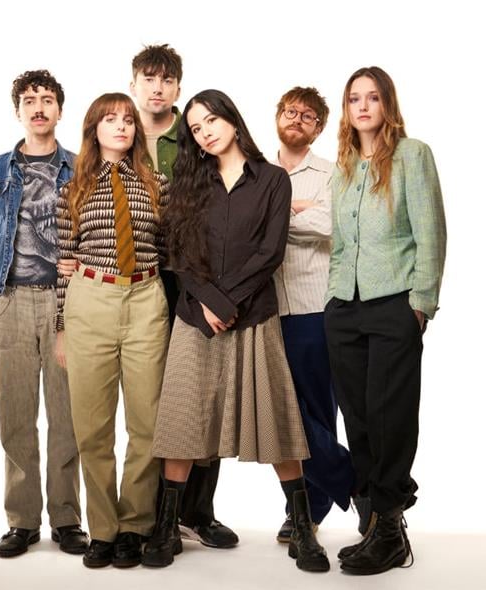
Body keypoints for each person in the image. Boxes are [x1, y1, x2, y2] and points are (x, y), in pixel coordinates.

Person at [143, 89, 330, 572]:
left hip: (252, 316)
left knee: (278, 424)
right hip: (196, 318)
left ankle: (302, 528)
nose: (205, 132)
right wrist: (207, 301)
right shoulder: (189, 182)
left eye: (211, 121)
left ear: (231, 119)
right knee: (182, 422)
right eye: (196, 128)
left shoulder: (271, 179)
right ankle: (166, 526)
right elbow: (177, 254)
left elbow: (270, 252)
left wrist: (226, 302)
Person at [324, 66, 446, 575]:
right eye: (354, 98)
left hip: (394, 302)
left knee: (389, 416)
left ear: (387, 104)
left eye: (372, 97)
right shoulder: (344, 166)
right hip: (344, 307)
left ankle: (392, 531)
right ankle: (374, 522)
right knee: (358, 418)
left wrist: (421, 304)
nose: (363, 106)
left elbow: (431, 231)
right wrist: (331, 299)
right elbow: (339, 242)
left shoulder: (412, 155)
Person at [129, 43, 238, 550]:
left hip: (191, 276)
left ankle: (199, 510)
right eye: (149, 79)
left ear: (177, 86)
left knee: (204, 391)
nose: (158, 88)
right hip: (136, 279)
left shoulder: (195, 136)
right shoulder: (118, 130)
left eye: (167, 80)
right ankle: (152, 514)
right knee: (154, 399)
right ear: (134, 84)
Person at [54, 93, 170, 569]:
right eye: (110, 120)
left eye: (128, 120)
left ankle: (135, 526)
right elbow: (63, 265)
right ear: (93, 129)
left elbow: (169, 249)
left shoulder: (157, 185)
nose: (121, 126)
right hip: (91, 301)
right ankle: (102, 529)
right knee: (92, 426)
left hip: (146, 299)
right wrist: (62, 327)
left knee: (148, 422)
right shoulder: (72, 189)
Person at [0, 69, 87, 558]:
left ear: (60, 110)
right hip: (11, 300)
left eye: (47, 99)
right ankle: (21, 521)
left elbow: (91, 233)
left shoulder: (81, 167)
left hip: (66, 302)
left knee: (67, 415)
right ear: (18, 110)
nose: (38, 107)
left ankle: (66, 518)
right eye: (29, 100)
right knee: (16, 416)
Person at [271, 87, 355, 544]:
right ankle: (354, 480)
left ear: (319, 128)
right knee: (279, 413)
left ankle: (307, 511)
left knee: (317, 411)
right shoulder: (257, 170)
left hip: (312, 306)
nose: (296, 119)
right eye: (290, 111)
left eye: (307, 116)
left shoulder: (331, 173)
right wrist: (298, 208)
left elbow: (330, 224)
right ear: (277, 117)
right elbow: (242, 226)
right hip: (265, 310)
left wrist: (274, 215)